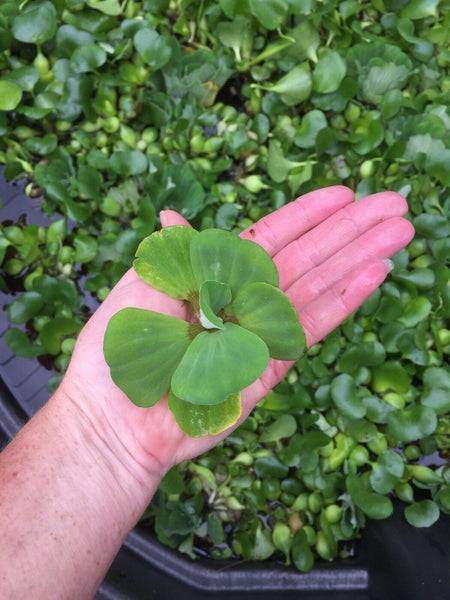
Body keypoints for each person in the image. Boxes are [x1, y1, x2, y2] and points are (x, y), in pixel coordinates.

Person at [0, 186, 414, 599]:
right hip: (191, 338)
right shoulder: (178, 334)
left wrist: (100, 444)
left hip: (229, 326)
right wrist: (99, 437)